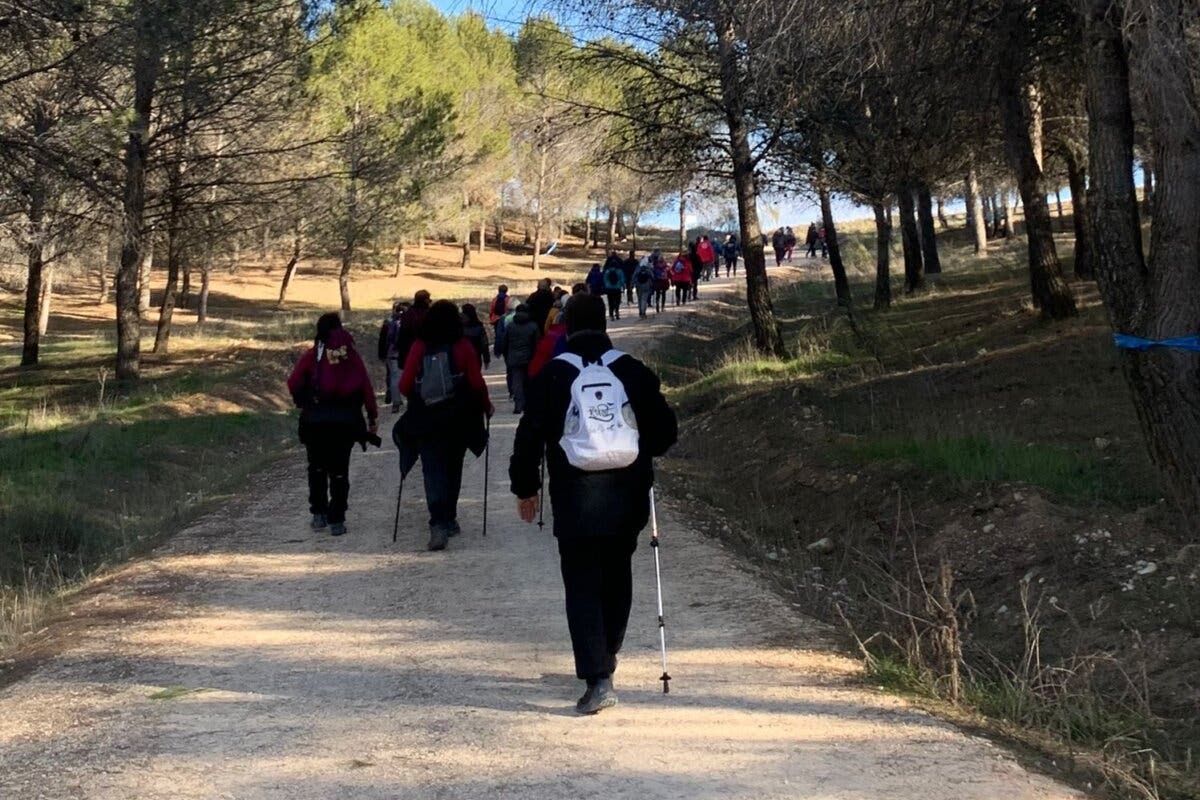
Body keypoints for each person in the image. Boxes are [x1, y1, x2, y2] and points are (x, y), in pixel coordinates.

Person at [510, 294, 677, 715]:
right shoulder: (631, 370)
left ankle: (598, 678)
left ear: (566, 326)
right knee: (617, 575)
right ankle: (608, 653)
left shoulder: (553, 374)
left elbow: (528, 435)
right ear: (604, 324)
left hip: (575, 497)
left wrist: (525, 487)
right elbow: (664, 433)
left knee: (582, 584)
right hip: (627, 495)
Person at [397, 300, 493, 551]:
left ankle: (437, 522)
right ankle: (450, 518)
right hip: (458, 419)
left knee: (433, 469)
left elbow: (404, 385)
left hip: (426, 420)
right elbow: (476, 382)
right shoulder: (462, 347)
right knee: (453, 467)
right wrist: (486, 406)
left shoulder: (419, 347)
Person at [287, 313, 379, 537]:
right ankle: (337, 518)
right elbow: (366, 388)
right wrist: (372, 417)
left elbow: (293, 382)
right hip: (345, 423)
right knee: (339, 470)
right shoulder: (351, 357)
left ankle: (318, 513)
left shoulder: (312, 356)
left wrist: (305, 400)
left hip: (315, 422)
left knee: (316, 467)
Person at [500, 303, 540, 414]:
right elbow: (537, 344)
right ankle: (529, 404)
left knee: (517, 382)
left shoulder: (510, 326)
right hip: (530, 357)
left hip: (514, 358)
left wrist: (506, 355)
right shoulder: (533, 326)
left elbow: (505, 343)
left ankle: (518, 405)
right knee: (529, 381)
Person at [377, 300, 406, 411]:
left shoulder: (388, 322)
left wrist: (382, 354)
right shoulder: (408, 321)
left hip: (392, 353)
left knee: (393, 377)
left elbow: (383, 339)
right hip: (406, 352)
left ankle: (395, 401)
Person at [461, 303, 490, 370]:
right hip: (476, 357)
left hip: (462, 358)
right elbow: (484, 344)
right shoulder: (479, 327)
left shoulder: (459, 327)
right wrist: (486, 359)